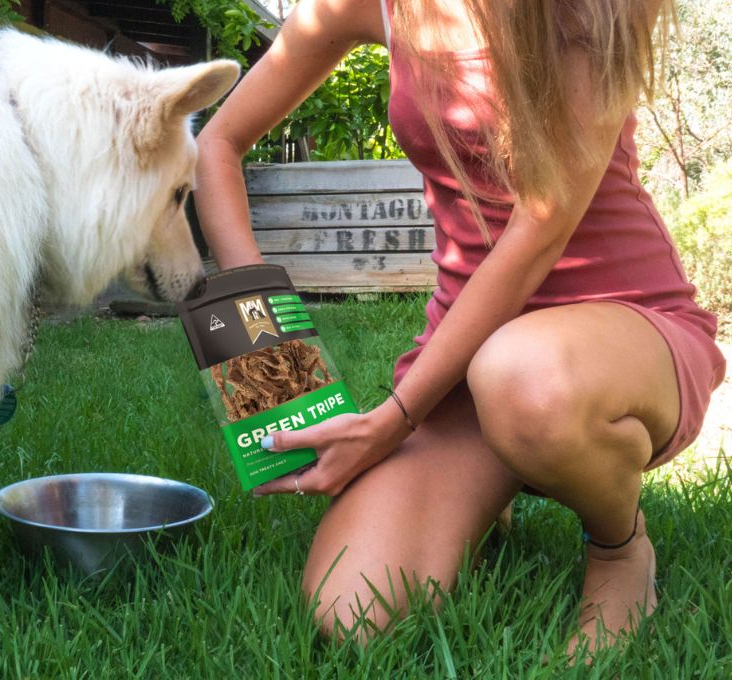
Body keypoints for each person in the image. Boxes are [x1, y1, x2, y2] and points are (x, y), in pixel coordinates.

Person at [192, 0, 727, 655]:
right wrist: (265, 335)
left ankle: (618, 549)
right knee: (355, 612)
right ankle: (495, 481)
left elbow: (541, 223)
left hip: (624, 330)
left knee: (522, 376)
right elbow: (216, 143)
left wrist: (391, 419)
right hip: (468, 356)